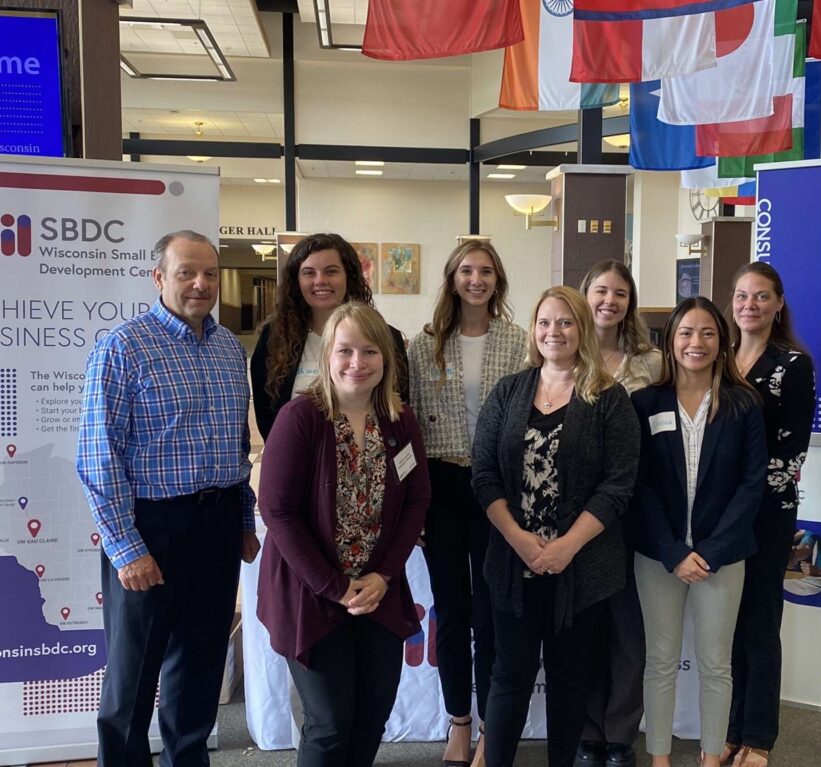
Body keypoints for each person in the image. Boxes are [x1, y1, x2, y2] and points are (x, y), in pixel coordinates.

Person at [76, 230, 261, 766]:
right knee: (133, 678)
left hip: (218, 523)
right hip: (151, 528)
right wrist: (125, 547)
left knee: (199, 668)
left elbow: (234, 445)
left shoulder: (229, 348)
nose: (200, 284)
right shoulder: (123, 348)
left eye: (209, 274)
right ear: (159, 278)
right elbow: (98, 456)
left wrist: (244, 522)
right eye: (186, 273)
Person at [471, 286, 640, 767]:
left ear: (582, 328)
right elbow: (484, 475)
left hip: (582, 569)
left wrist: (566, 546)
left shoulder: (610, 398)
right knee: (509, 678)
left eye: (565, 322)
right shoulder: (509, 391)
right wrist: (519, 540)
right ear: (534, 330)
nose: (554, 332)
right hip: (512, 563)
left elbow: (618, 485)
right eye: (545, 322)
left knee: (570, 682)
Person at [256, 301, 430, 767]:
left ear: (387, 360)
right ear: (327, 356)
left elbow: (416, 500)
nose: (357, 363)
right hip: (311, 594)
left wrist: (383, 577)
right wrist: (335, 587)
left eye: (370, 351)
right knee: (330, 723)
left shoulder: (400, 421)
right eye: (345, 350)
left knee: (372, 715)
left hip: (379, 592)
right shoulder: (301, 419)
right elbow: (277, 510)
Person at [630, 297, 767, 767]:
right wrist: (672, 552)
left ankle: (710, 759)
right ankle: (660, 759)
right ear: (669, 341)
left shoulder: (743, 404)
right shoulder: (645, 402)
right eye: (686, 332)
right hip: (659, 555)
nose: (697, 342)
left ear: (722, 342)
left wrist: (710, 551)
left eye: (708, 332)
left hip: (722, 557)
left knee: (716, 666)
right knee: (661, 663)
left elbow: (752, 486)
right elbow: (638, 486)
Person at [408, 240, 527, 767]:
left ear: (497, 280)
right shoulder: (425, 344)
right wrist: (410, 505)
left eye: (485, 271)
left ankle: (490, 729)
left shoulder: (520, 342)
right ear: (452, 279)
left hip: (499, 487)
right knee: (453, 612)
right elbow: (406, 428)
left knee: (495, 613)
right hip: (442, 485)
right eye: (465, 271)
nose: (475, 279)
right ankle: (458, 720)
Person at [722, 262, 815, 767]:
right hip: (719, 516)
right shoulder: (719, 357)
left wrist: (740, 497)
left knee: (759, 623)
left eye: (761, 297)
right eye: (741, 296)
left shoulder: (793, 364)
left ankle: (759, 736)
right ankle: (732, 727)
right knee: (728, 626)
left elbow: (791, 453)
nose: (749, 306)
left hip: (765, 513)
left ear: (779, 303)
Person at [576, 260, 662, 767]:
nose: (609, 301)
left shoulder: (650, 363)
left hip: (635, 510)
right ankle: (589, 731)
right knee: (588, 625)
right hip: (579, 517)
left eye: (620, 294)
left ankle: (620, 735)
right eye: (601, 291)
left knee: (629, 628)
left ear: (630, 302)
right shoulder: (566, 353)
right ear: (584, 295)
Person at [250, 232, 409, 442]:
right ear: (296, 280)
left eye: (331, 271)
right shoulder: (274, 339)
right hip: (302, 464)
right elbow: (267, 415)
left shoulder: (387, 338)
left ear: (349, 276)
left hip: (371, 464)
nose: (320, 281)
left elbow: (398, 406)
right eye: (309, 273)